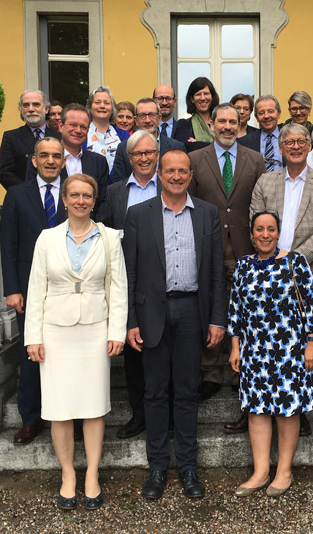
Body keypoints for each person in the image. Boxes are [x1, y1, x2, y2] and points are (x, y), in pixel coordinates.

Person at [123, 149, 227, 500]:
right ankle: (156, 468)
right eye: (170, 170)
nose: (177, 176)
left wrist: (217, 318)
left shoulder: (208, 214)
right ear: (159, 172)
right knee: (154, 392)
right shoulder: (139, 214)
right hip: (152, 312)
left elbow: (215, 272)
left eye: (183, 171)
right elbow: (130, 272)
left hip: (191, 313)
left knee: (185, 392)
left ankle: (187, 467)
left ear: (191, 174)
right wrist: (130, 321)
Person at [24, 173, 127, 511]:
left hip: (95, 330)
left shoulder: (109, 238)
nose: (81, 200)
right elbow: (37, 288)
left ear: (94, 201)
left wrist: (116, 331)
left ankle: (92, 474)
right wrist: (33, 337)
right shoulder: (47, 238)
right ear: (64, 199)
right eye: (75, 195)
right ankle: (68, 474)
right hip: (55, 331)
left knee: (94, 406)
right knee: (59, 409)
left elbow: (118, 287)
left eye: (87, 195)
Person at [249, 122, 313, 437]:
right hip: (266, 276)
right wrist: (273, 259)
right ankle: (264, 404)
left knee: (299, 346)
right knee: (270, 345)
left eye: (301, 141)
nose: (296, 146)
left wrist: (291, 260)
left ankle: (297, 410)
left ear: (309, 146)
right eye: (290, 142)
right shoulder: (265, 181)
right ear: (282, 147)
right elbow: (255, 221)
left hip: (305, 274)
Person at [228, 211, 313, 497]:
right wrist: (235, 347)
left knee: (285, 410)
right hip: (254, 350)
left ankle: (283, 471)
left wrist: (312, 343)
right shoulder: (244, 265)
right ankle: (260, 472)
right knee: (257, 410)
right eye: (259, 229)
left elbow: (312, 306)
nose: (265, 234)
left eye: (270, 229)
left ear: (278, 232)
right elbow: (235, 310)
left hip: (289, 350)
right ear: (252, 233)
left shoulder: (295, 262)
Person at [187, 103, 265, 422]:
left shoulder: (255, 159)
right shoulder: (194, 160)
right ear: (212, 125)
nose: (229, 127)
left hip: (246, 247)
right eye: (223, 121)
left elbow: (258, 204)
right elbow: (190, 205)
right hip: (209, 245)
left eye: (234, 121)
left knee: (245, 311)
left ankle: (240, 372)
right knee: (210, 308)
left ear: (240, 123)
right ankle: (210, 373)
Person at [0, 137, 67, 446]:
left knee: (66, 355)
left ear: (64, 161)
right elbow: (8, 245)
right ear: (34, 161)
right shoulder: (16, 195)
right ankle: (31, 419)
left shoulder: (75, 193)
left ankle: (69, 416)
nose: (51, 161)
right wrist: (12, 289)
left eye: (56, 156)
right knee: (31, 356)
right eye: (45, 156)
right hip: (28, 290)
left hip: (67, 289)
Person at [101, 130, 162, 440]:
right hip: (127, 281)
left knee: (163, 354)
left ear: (157, 154)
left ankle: (164, 416)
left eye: (149, 152)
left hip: (165, 282)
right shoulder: (114, 193)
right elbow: (102, 232)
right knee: (134, 355)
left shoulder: (172, 185)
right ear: (128, 157)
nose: (144, 158)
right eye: (137, 154)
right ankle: (139, 414)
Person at [25, 104, 110, 221]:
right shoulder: (40, 160)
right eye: (73, 125)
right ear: (61, 125)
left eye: (83, 127)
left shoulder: (99, 162)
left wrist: (91, 228)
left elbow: (103, 201)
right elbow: (32, 199)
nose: (78, 131)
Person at [110, 98, 185, 183]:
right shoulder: (123, 148)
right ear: (136, 120)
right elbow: (118, 184)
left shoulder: (176, 147)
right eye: (142, 116)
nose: (147, 120)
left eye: (151, 115)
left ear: (159, 118)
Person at [0, 89, 60, 189]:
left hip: (52, 197)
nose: (30, 109)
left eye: (36, 104)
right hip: (22, 198)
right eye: (26, 105)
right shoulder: (11, 137)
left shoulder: (59, 137)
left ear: (47, 109)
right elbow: (4, 174)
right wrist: (27, 192)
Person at [86, 86, 129, 174]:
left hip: (117, 186)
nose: (102, 106)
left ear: (112, 109)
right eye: (97, 102)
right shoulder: (82, 134)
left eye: (106, 103)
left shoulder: (124, 136)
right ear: (90, 107)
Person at [238, 95, 284, 172]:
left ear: (279, 114)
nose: (266, 116)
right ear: (256, 117)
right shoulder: (244, 142)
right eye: (261, 113)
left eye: (270, 111)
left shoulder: (289, 138)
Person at [174, 77, 220, 151]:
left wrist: (197, 144)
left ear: (212, 97)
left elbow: (229, 146)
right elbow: (185, 148)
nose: (202, 98)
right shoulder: (183, 125)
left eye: (206, 93)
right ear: (192, 99)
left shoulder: (221, 123)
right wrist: (216, 145)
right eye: (198, 94)